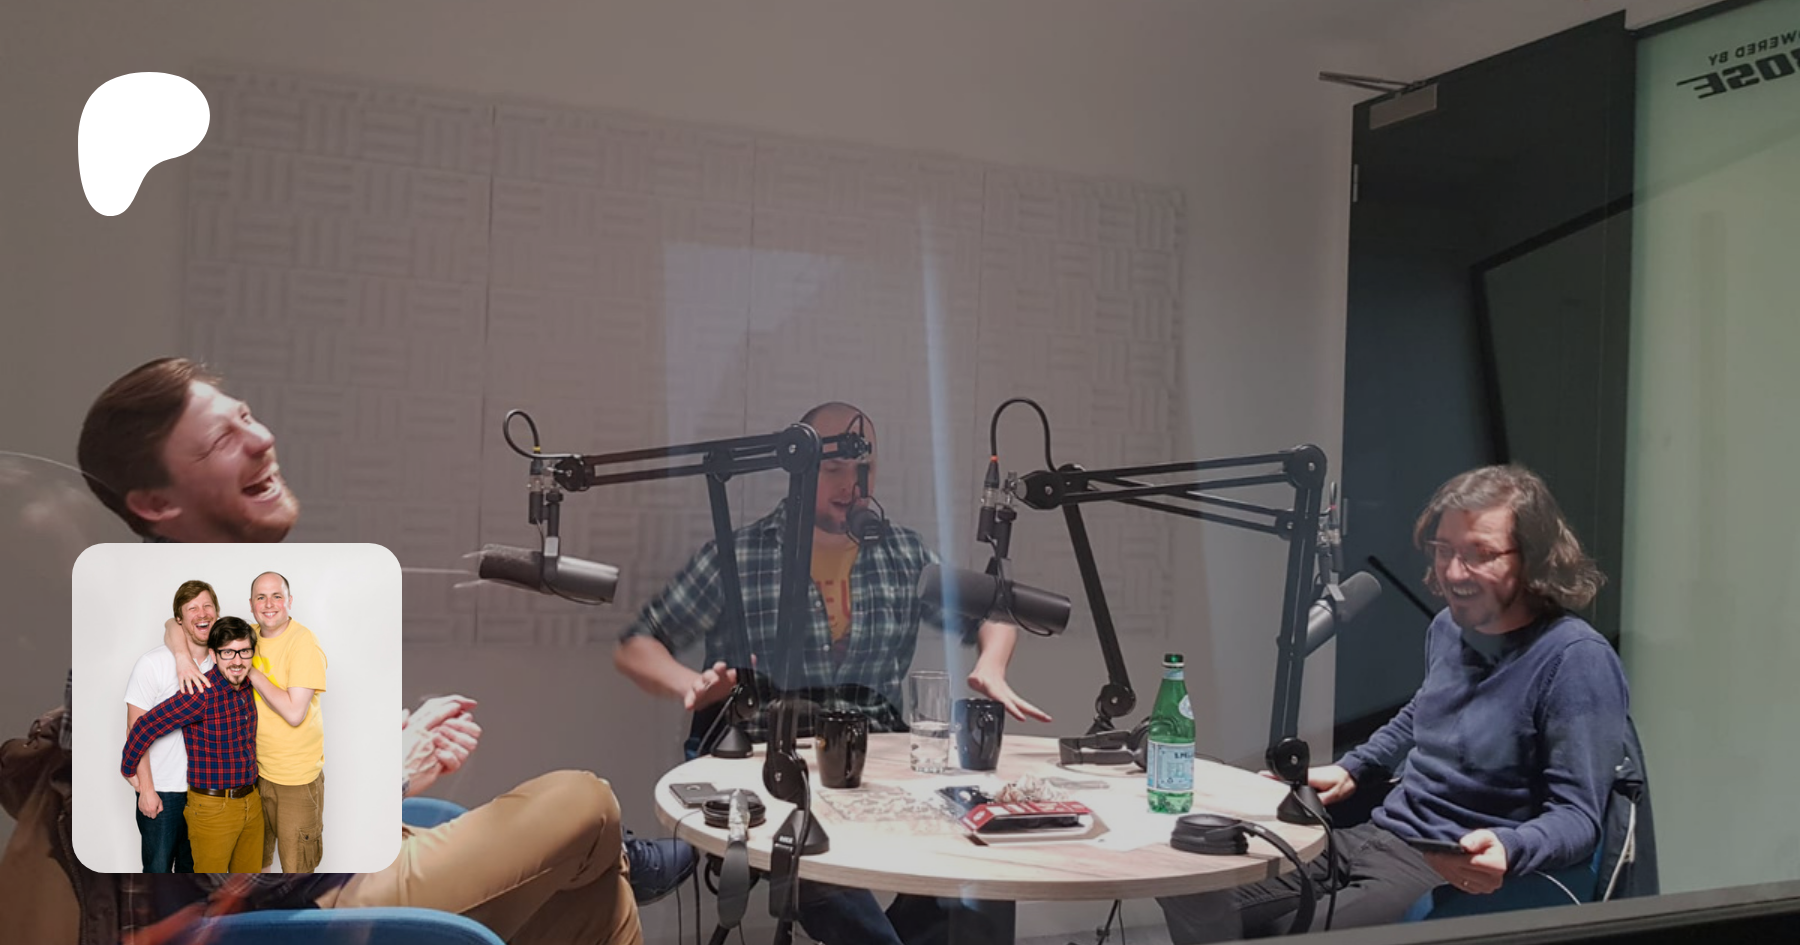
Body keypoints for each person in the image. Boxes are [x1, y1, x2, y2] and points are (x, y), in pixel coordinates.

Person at [614, 400, 1050, 945]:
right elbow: (638, 643)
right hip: (776, 775)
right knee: (825, 874)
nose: (851, 485)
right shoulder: (741, 555)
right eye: (834, 467)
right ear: (797, 465)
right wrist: (692, 685)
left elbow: (994, 612)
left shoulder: (904, 554)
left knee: (974, 867)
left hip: (880, 773)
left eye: (864, 468)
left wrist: (991, 665)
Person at [1158, 464, 1630, 941]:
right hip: (1376, 833)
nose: (1454, 572)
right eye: (1444, 550)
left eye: (1480, 554)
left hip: (1441, 866)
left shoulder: (1574, 659)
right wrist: (1354, 768)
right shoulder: (1449, 628)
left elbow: (1578, 816)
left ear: (1533, 559)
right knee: (1188, 882)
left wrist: (1510, 847)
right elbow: (1421, 711)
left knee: (1288, 934)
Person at [160, 571, 331, 873]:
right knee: (254, 868)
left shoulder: (303, 644)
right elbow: (173, 625)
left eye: (277, 596)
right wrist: (182, 658)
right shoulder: (247, 635)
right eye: (261, 597)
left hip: (294, 779)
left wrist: (247, 669)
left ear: (290, 601)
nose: (269, 604)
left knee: (296, 871)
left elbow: (294, 713)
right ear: (251, 605)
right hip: (253, 778)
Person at [121, 616, 264, 873]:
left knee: (247, 884)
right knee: (206, 888)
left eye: (244, 651)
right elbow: (144, 726)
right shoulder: (201, 693)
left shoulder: (247, 686)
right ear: (214, 655)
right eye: (228, 652)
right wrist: (129, 769)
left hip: (252, 803)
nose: (237, 660)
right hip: (214, 808)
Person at [121, 580, 219, 872]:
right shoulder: (153, 663)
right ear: (179, 619)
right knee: (158, 873)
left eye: (207, 606)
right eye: (192, 608)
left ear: (217, 613)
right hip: (163, 790)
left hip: (204, 792)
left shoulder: (223, 663)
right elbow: (135, 729)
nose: (202, 613)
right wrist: (146, 790)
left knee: (196, 875)